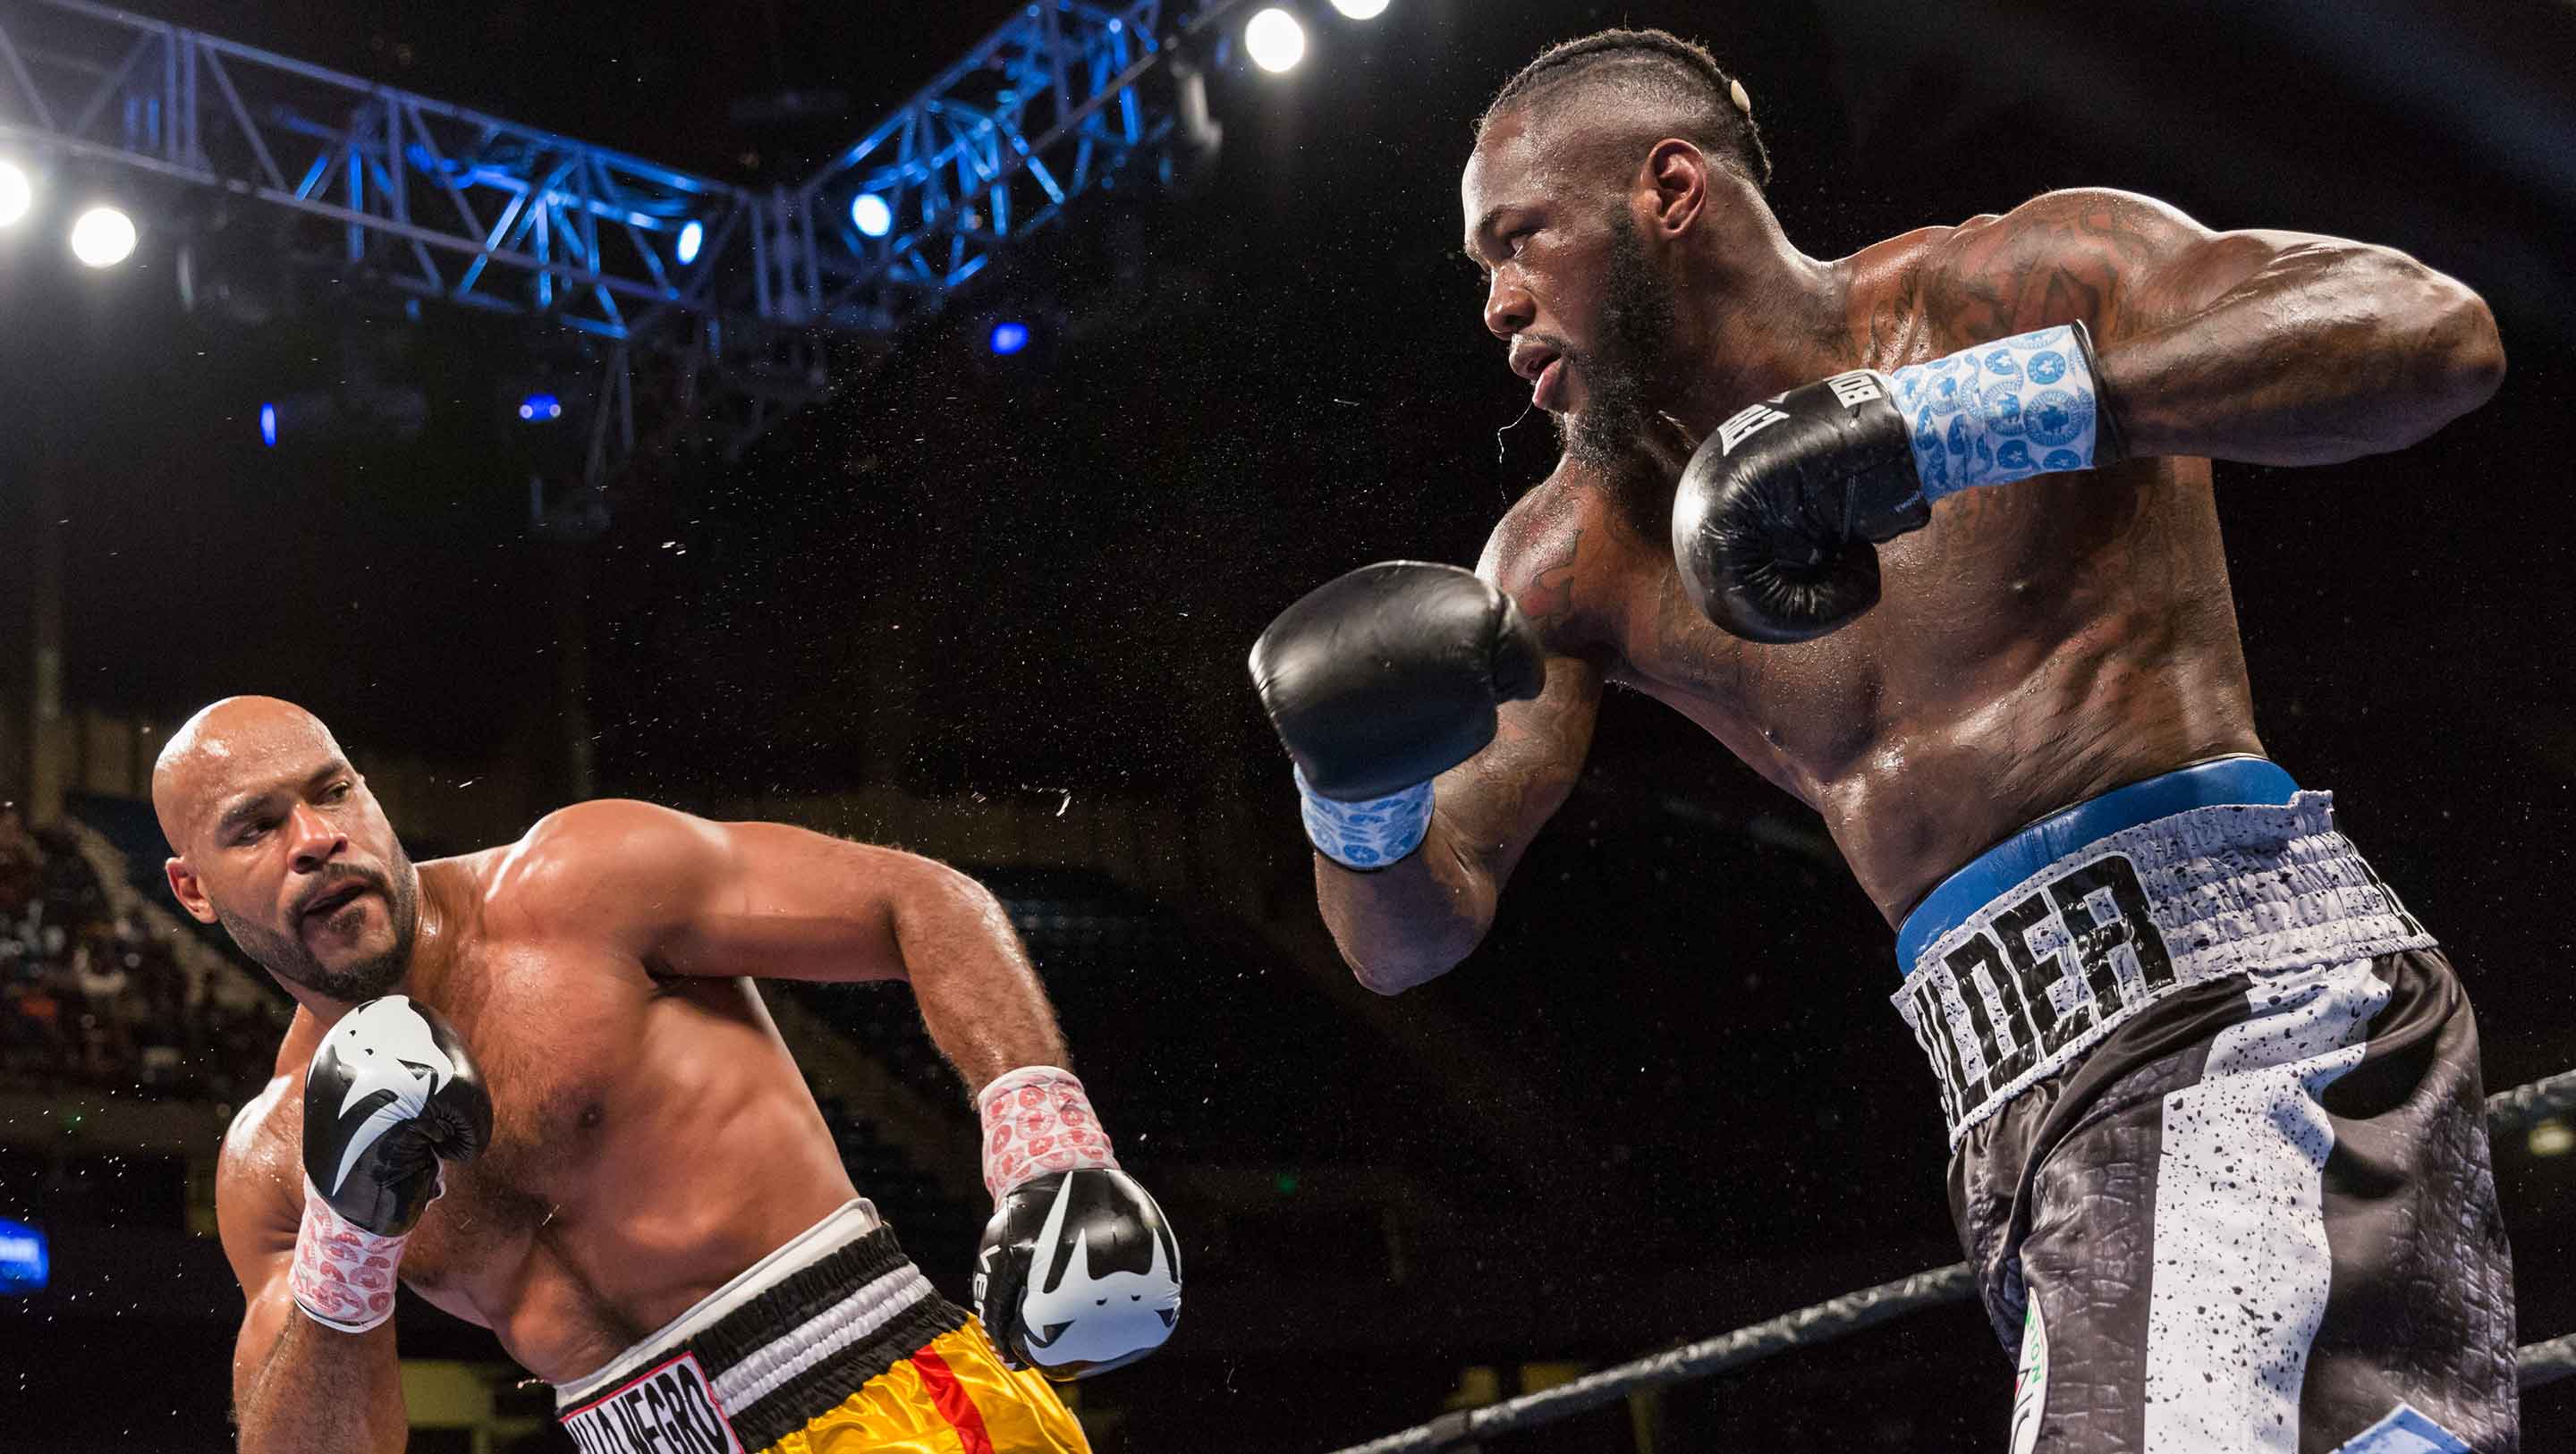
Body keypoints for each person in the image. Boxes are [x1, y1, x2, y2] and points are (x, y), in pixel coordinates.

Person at [1250, 28, 2515, 1454]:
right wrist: (1349, 793)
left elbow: (2431, 334)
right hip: (2016, 1114)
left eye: (1518, 240)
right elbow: (1406, 935)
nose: (1494, 302)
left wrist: (1943, 423)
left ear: (1670, 192)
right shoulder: (1568, 554)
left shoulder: (2000, 294)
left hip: (2236, 1015)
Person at [161, 697, 1179, 1454]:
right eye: (257, 826)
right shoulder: (274, 1159)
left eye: (333, 791)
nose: (317, 839)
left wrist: (1048, 1146)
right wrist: (347, 1246)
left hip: (882, 1400)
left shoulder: (580, 887)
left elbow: (918, 899)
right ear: (194, 892)